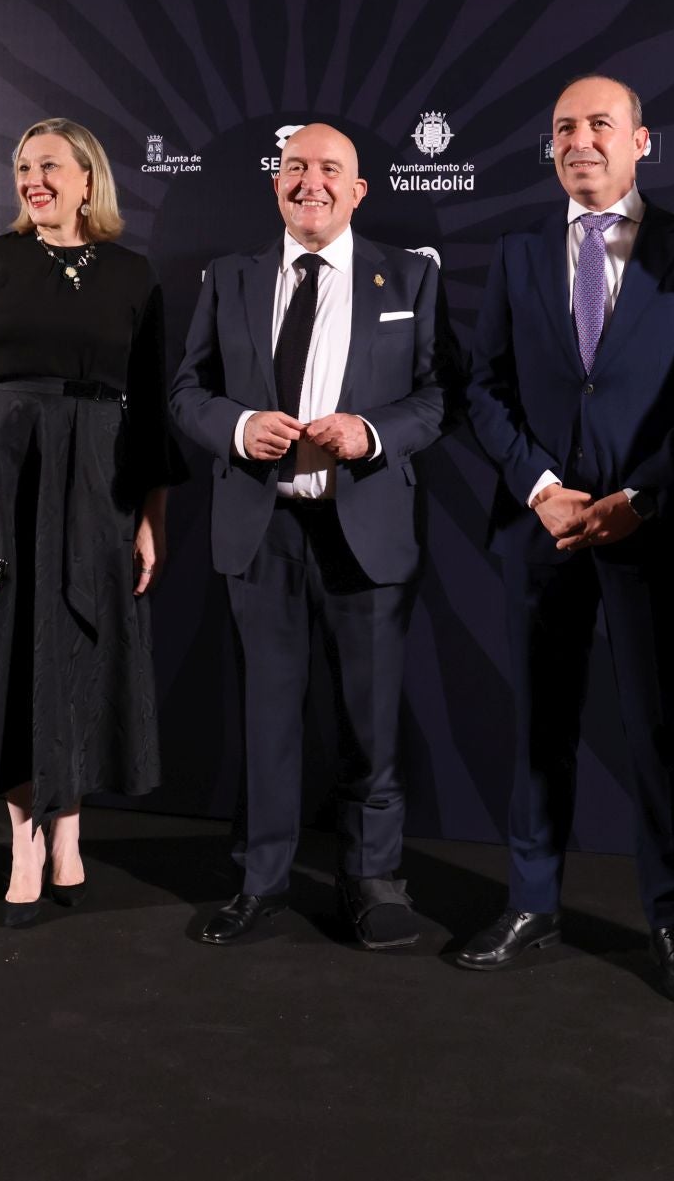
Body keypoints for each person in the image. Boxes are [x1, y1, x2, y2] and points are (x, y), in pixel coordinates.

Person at [457, 75, 674, 1003]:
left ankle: (670, 923)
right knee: (541, 727)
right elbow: (485, 388)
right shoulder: (516, 252)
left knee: (658, 733)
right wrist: (540, 488)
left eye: (599, 125)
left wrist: (641, 494)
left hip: (648, 533)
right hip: (541, 531)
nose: (579, 140)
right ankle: (532, 903)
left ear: (641, 141)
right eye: (563, 129)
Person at [170, 123, 459, 949]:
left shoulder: (408, 275)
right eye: (296, 168)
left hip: (363, 527)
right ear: (276, 184)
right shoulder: (230, 278)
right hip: (261, 532)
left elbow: (441, 396)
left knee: (369, 723)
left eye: (330, 169)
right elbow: (187, 389)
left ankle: (373, 882)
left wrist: (370, 432)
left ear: (358, 190)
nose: (312, 182)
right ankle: (260, 882)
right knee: (268, 719)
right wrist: (235, 425)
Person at [0, 119, 182, 929]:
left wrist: (150, 518)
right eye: (23, 167)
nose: (34, 180)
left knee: (81, 653)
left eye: (49, 167)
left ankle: (69, 825)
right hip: (5, 486)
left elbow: (150, 414)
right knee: (9, 656)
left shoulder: (135, 276)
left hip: (101, 486)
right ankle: (26, 844)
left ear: (87, 179)